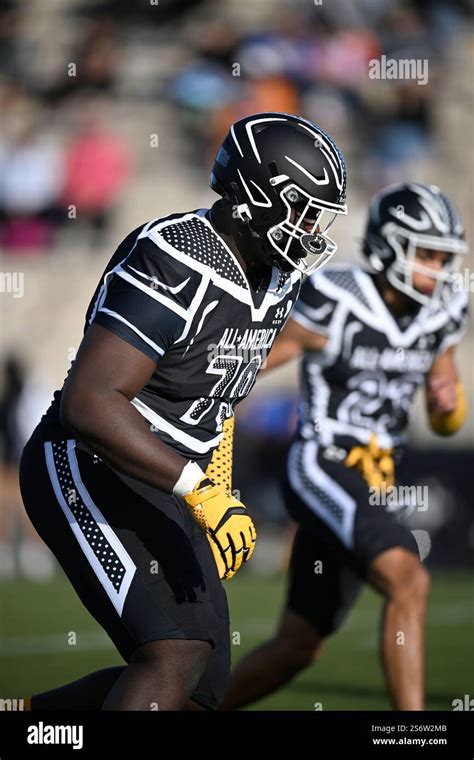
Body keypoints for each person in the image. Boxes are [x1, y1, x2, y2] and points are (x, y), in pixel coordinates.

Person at [15, 112, 347, 711]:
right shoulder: (175, 253)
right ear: (255, 195)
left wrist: (218, 484)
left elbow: (217, 399)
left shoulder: (278, 278)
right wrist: (199, 489)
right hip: (89, 461)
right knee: (178, 650)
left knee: (199, 694)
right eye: (304, 211)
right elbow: (91, 403)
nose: (313, 231)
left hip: (166, 479)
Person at [221, 182, 468, 711]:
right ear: (389, 246)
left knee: (297, 647)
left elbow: (446, 413)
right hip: (322, 465)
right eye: (425, 254)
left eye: (444, 258)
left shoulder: (443, 309)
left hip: (376, 482)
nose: (437, 270)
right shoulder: (337, 297)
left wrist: (447, 402)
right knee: (410, 579)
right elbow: (254, 361)